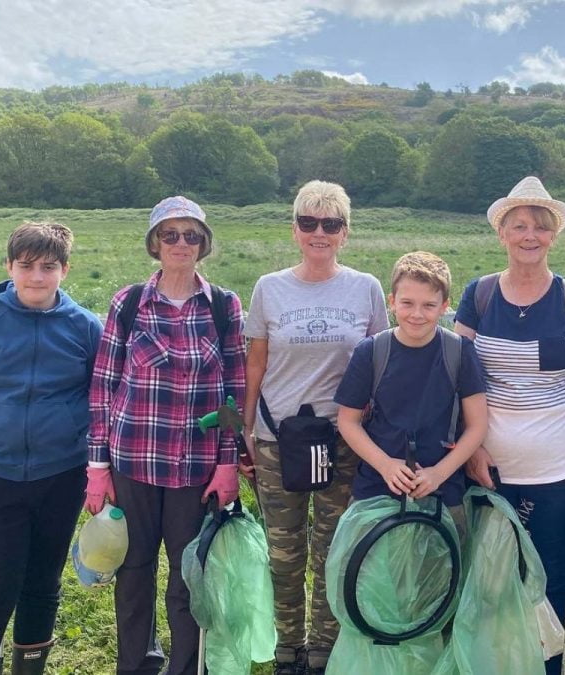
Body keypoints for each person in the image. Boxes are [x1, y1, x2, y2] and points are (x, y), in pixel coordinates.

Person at [85, 196, 247, 675]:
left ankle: (185, 667)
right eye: (170, 234)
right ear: (155, 243)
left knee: (187, 578)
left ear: (204, 245)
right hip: (132, 462)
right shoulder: (129, 302)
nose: (181, 243)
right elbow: (103, 385)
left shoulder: (223, 306)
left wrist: (228, 463)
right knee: (133, 574)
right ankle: (135, 665)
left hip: (195, 470)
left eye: (191, 235)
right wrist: (97, 467)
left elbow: (233, 396)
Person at [0, 222, 103, 675]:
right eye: (26, 266)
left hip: (61, 476)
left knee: (42, 584)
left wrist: (80, 446)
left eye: (48, 267)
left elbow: (101, 398)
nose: (36, 277)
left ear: (64, 270)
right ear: (9, 266)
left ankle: (28, 670)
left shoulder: (86, 328)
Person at [454, 176, 565, 675]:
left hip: (558, 471)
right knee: (491, 579)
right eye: (518, 225)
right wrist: (469, 451)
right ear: (502, 233)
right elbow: (458, 381)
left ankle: (548, 667)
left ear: (554, 236)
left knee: (550, 579)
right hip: (488, 471)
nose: (529, 236)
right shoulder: (477, 297)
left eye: (539, 227)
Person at [242, 180, 388, 675]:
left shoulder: (365, 288)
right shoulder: (269, 287)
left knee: (332, 548)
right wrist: (246, 427)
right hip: (278, 437)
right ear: (295, 230)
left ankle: (325, 649)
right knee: (284, 552)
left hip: (342, 438)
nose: (319, 233)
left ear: (345, 233)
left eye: (331, 224)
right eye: (309, 223)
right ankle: (289, 647)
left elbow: (380, 363)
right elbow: (255, 364)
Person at [335, 251, 488, 533]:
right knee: (372, 575)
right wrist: (385, 465)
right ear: (392, 302)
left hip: (444, 493)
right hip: (377, 490)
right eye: (407, 303)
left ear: (445, 306)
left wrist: (439, 473)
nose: (417, 314)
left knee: (442, 574)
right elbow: (347, 420)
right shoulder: (371, 351)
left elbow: (478, 425)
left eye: (429, 305)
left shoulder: (460, 352)